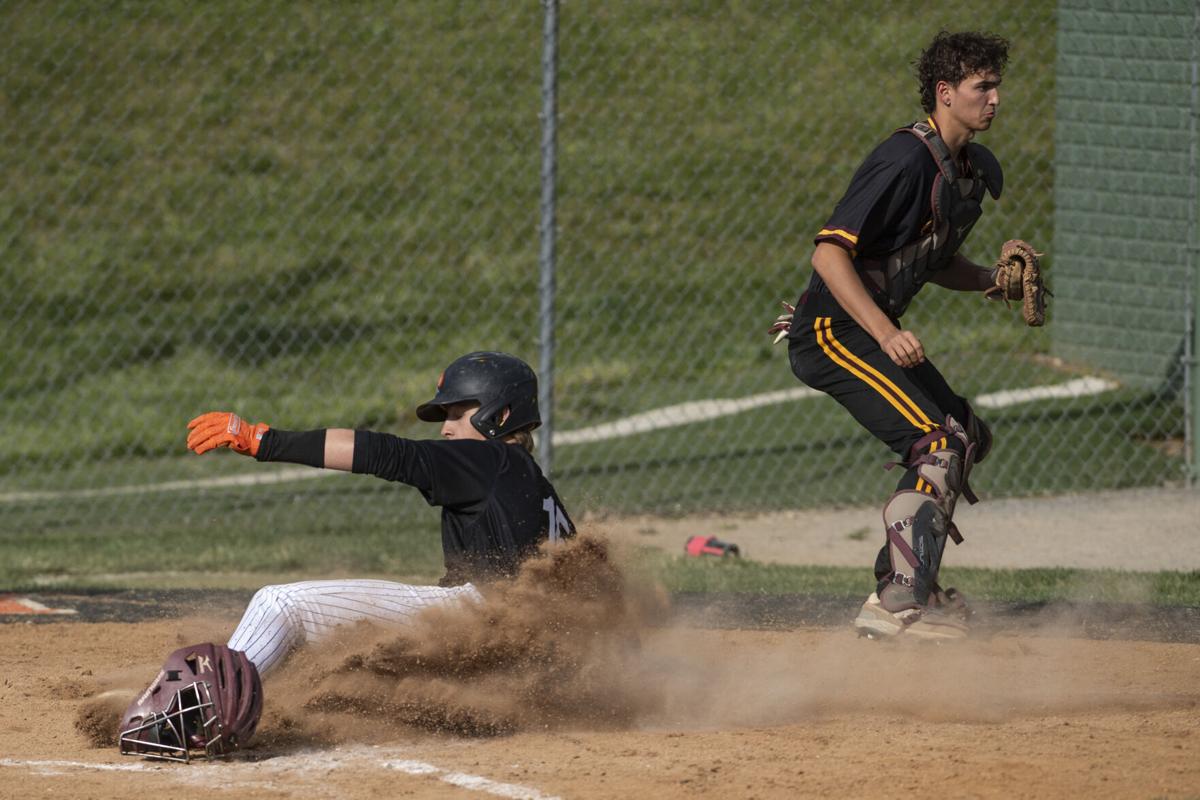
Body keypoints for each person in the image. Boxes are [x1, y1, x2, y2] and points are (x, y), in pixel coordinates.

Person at [119, 351, 575, 759]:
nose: (447, 427)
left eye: (459, 412)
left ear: (503, 414)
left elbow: (388, 454)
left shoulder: (488, 459)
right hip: (514, 645)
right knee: (329, 653)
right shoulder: (538, 487)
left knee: (281, 606)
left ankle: (198, 717)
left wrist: (265, 441)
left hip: (476, 614)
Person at [771, 31, 1025, 640]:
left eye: (996, 85)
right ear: (944, 92)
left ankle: (910, 586)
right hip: (832, 332)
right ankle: (896, 605)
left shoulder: (965, 169)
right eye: (980, 87)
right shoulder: (904, 160)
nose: (994, 98)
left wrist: (993, 280)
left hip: (864, 330)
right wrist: (887, 333)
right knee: (938, 446)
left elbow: (931, 262)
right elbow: (830, 254)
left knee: (965, 435)